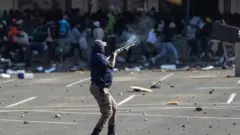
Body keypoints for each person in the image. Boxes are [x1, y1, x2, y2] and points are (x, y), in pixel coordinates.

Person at [89, 39, 118, 135]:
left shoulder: (98, 56)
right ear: (100, 48)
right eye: (103, 47)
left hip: (102, 88)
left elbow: (106, 62)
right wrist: (114, 57)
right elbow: (111, 66)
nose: (104, 48)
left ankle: (111, 132)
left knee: (114, 108)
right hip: (100, 88)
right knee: (107, 113)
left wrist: (112, 56)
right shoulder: (97, 57)